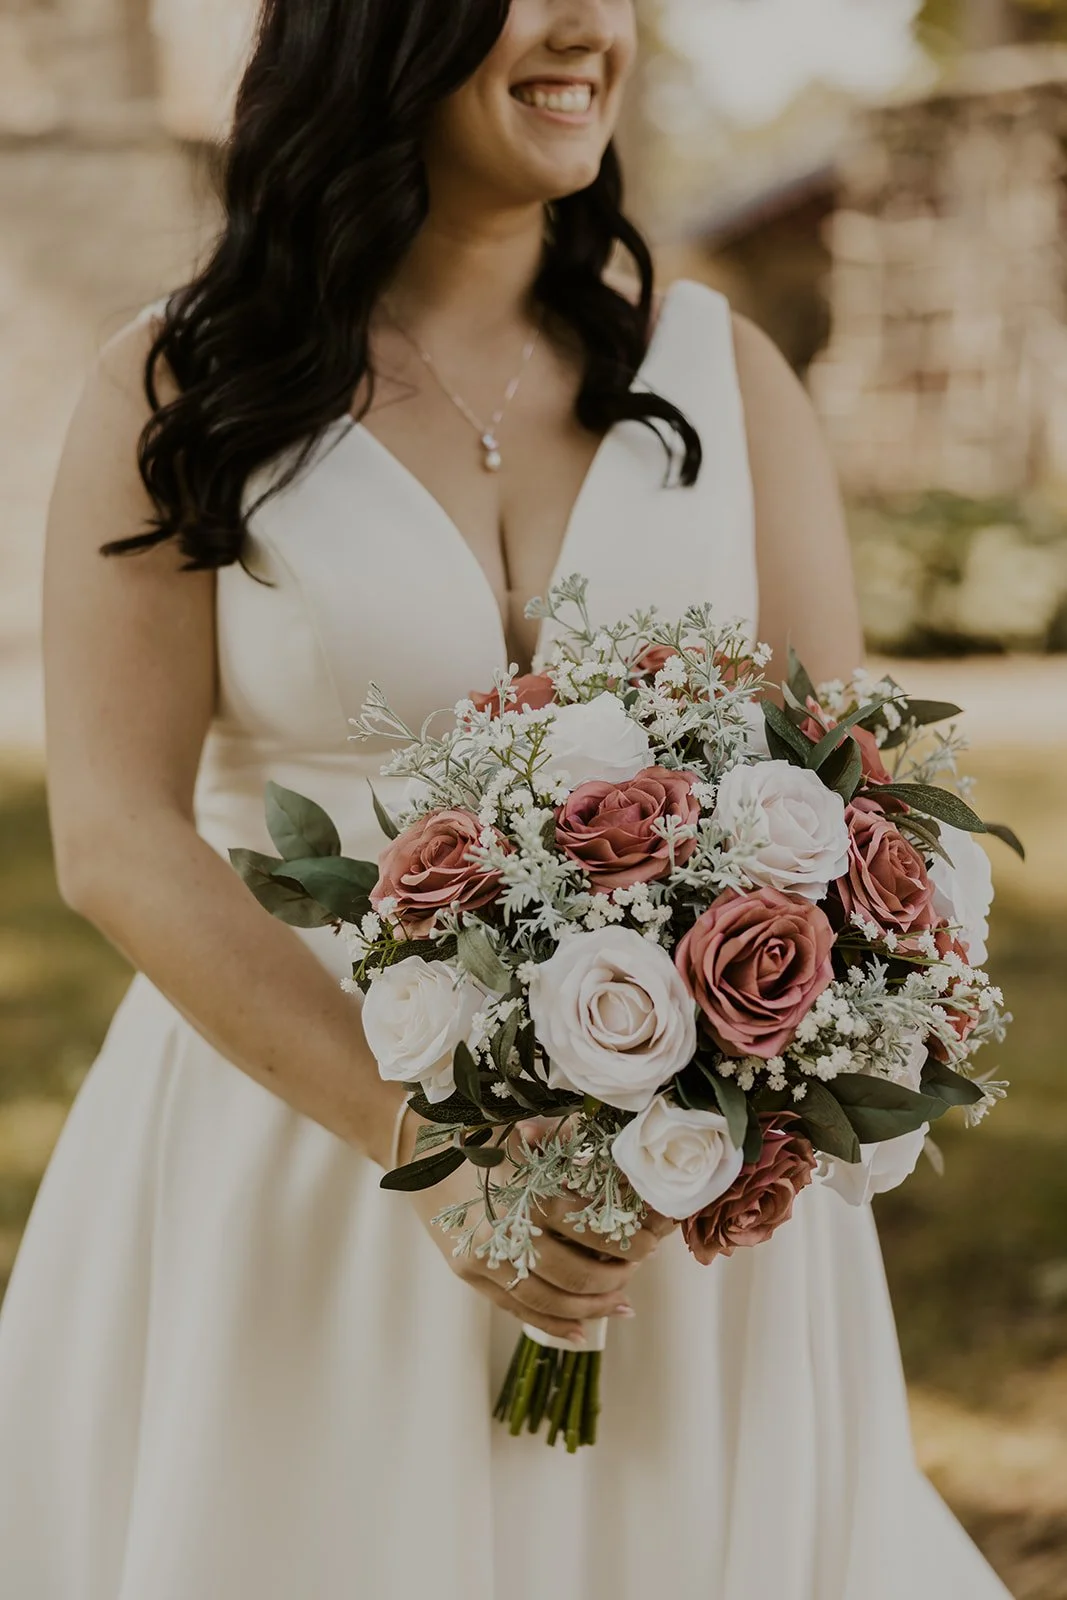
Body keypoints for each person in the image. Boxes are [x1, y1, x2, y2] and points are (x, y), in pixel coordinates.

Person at [0, 2, 1014, 1597]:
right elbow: (115, 837)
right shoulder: (182, 380)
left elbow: (852, 790)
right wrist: (431, 1149)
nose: (584, 27)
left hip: (682, 1177)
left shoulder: (718, 371)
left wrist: (756, 1060)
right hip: (301, 1149)